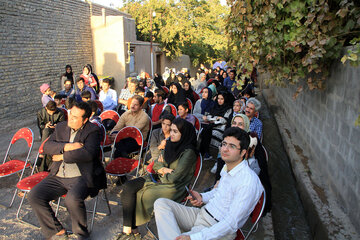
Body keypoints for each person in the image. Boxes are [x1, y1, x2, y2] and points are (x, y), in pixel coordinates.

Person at [154, 127, 264, 240]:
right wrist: (202, 197)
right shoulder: (228, 167)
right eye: (224, 144)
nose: (225, 149)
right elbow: (218, 192)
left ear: (243, 152)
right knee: (161, 204)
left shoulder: (248, 182)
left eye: (232, 146)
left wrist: (194, 237)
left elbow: (231, 223)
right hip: (202, 214)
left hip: (217, 228)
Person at [29, 102, 106, 240]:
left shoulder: (92, 130)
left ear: (85, 119)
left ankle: (82, 234)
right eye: (71, 114)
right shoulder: (60, 127)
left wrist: (62, 156)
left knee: (72, 199)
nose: (71, 118)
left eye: (76, 117)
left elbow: (88, 153)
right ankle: (56, 231)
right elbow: (47, 146)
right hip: (58, 174)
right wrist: (68, 146)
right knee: (35, 195)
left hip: (80, 176)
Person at [117, 118, 198, 239]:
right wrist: (164, 169)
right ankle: (130, 230)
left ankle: (131, 233)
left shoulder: (189, 152)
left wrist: (162, 169)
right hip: (159, 178)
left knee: (140, 194)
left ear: (184, 134)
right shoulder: (170, 144)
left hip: (174, 187)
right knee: (129, 186)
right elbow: (156, 163)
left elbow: (174, 179)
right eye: (171, 130)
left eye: (175, 131)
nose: (171, 134)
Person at [200, 92, 233, 158]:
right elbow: (208, 116)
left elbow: (224, 120)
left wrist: (214, 120)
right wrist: (216, 118)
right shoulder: (215, 106)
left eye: (222, 99)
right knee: (205, 129)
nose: (219, 101)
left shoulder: (228, 109)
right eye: (218, 99)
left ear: (225, 99)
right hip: (211, 125)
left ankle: (205, 152)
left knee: (207, 130)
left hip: (221, 127)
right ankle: (205, 152)